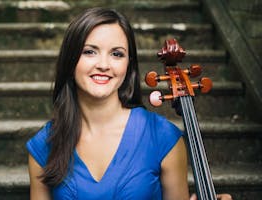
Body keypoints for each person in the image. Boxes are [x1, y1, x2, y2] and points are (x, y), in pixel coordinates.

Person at [26, 7, 232, 200]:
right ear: (71, 60)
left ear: (128, 65)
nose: (103, 65)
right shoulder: (44, 144)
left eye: (117, 54)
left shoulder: (162, 137)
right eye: (89, 51)